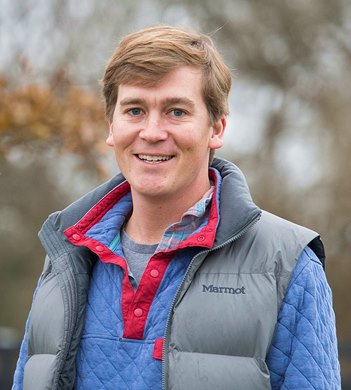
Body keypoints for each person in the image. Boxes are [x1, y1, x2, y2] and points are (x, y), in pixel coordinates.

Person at [13, 25, 340, 390]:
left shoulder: (287, 264)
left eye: (176, 112)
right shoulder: (65, 256)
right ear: (111, 126)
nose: (152, 132)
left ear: (216, 128)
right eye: (135, 110)